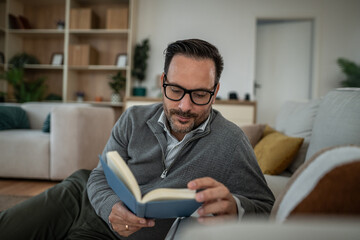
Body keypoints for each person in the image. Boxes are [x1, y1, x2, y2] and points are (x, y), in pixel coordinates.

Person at [0, 39, 274, 240]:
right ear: (164, 81)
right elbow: (97, 176)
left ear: (215, 93)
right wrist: (111, 208)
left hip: (120, 236)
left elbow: (265, 207)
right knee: (8, 227)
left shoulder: (232, 142)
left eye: (200, 94)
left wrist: (236, 208)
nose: (185, 106)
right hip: (79, 197)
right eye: (176, 90)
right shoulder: (133, 118)